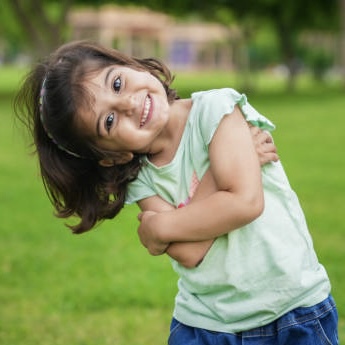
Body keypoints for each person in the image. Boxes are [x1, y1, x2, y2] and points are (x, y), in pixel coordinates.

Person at [14, 40, 338, 345]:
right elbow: (190, 253)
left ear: (130, 64)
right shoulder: (140, 176)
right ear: (112, 156)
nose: (128, 103)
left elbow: (244, 201)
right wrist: (223, 177)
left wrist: (160, 226)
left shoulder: (215, 108)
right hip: (207, 325)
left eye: (116, 83)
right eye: (109, 121)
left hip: (294, 310)